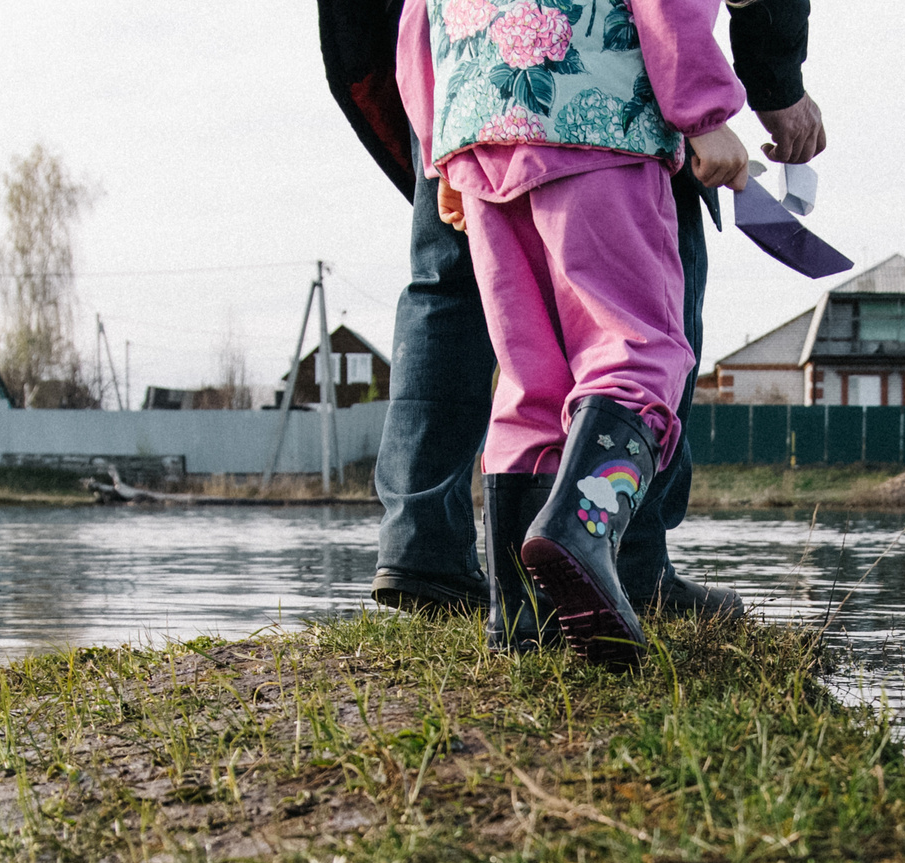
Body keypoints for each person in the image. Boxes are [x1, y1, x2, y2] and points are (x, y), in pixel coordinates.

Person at [320, 0, 822, 626]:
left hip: (478, 138)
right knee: (640, 350)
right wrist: (705, 112)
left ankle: (526, 617)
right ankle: (581, 535)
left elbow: (415, 18)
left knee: (530, 380)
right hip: (599, 121)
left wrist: (437, 153)